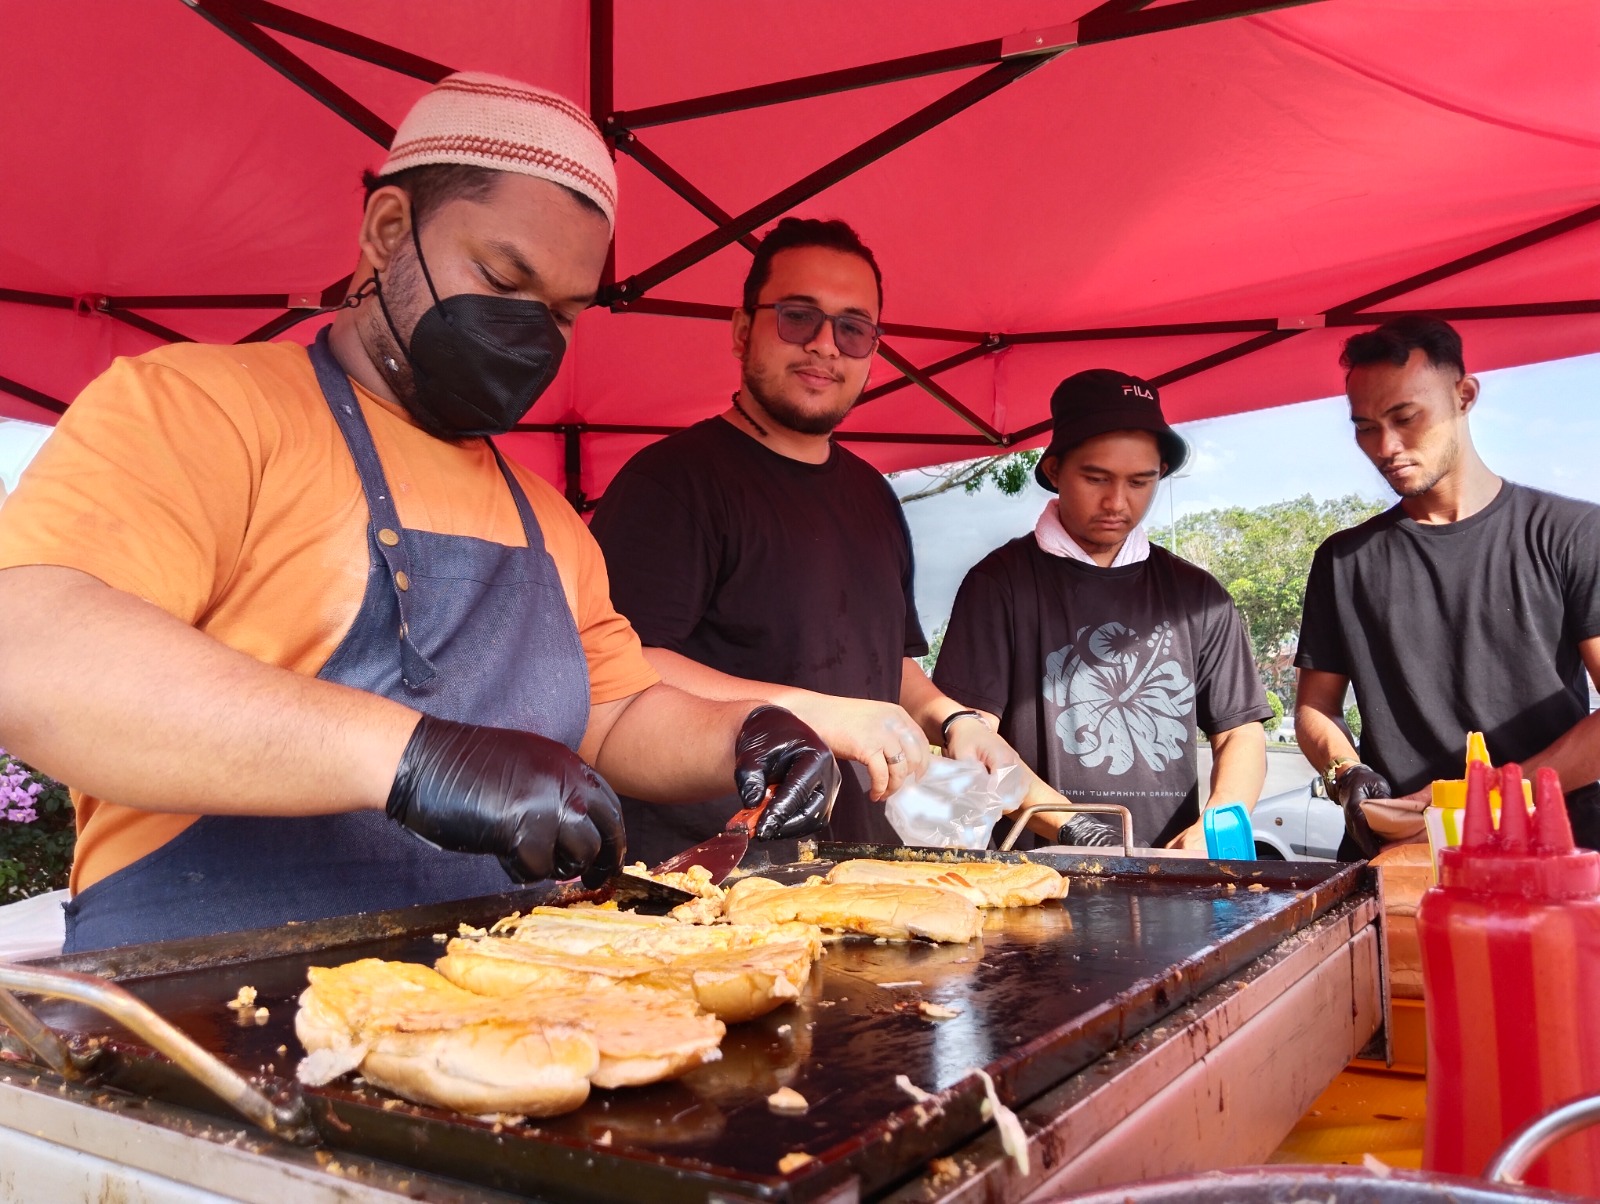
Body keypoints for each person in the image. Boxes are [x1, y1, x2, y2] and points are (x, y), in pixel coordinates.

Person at [0, 73, 839, 953]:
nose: (532, 332)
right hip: (196, 1020)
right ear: (387, 232)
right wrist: (408, 757)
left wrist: (743, 737)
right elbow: (32, 650)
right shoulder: (200, 407)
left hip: (492, 1013)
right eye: (502, 278)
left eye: (563, 312)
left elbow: (616, 712)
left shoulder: (550, 523)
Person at [589, 217, 1020, 862]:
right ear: (742, 332)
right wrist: (821, 714)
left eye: (853, 327)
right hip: (706, 875)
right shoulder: (672, 481)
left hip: (855, 859)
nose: (825, 345)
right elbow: (623, 669)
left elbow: (887, 665)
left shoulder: (874, 494)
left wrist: (949, 718)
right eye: (798, 317)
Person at [1294, 315, 1600, 857]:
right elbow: (1316, 708)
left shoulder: (1574, 533)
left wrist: (1475, 803)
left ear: (1464, 395)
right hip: (1397, 857)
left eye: (1405, 417)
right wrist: (1346, 774)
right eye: (1365, 426)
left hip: (1554, 854)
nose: (1385, 446)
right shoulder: (1343, 560)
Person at [933, 370, 1271, 851]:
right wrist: (1080, 829)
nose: (1117, 502)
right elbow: (973, 739)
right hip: (1041, 873)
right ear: (1053, 471)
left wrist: (1216, 826)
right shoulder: (999, 585)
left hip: (1172, 872)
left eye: (1140, 481)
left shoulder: (1200, 597)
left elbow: (1240, 731)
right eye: (1096, 478)